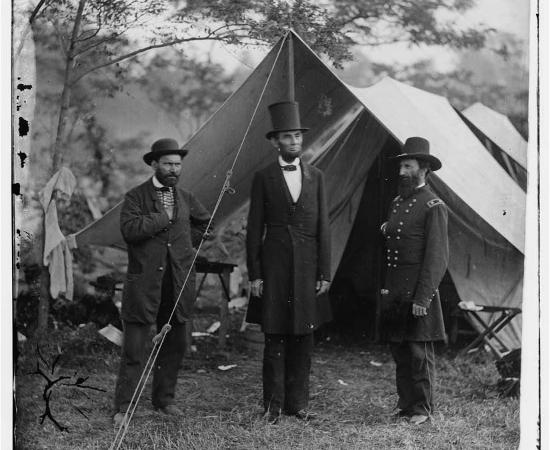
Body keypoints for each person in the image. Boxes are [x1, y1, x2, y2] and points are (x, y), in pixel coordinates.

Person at [113, 138, 211, 428]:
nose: (173, 169)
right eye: (167, 163)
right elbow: (130, 231)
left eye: (177, 164)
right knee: (135, 347)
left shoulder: (187, 197)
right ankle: (124, 407)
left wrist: (185, 245)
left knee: (176, 343)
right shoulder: (135, 197)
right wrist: (162, 218)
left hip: (177, 283)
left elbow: (206, 223)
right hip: (144, 285)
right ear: (154, 164)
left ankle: (164, 400)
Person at [245, 101, 331, 424]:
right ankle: (272, 406)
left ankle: (298, 404)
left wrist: (325, 271)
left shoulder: (317, 177)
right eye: (288, 137)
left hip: (308, 269)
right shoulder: (263, 178)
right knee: (275, 336)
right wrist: (255, 273)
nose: (295, 142)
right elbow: (254, 230)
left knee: (304, 338)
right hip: (275, 268)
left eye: (298, 136)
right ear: (275, 142)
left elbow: (324, 227)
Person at [380, 136, 449, 425]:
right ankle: (406, 403)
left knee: (419, 352)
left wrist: (423, 298)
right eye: (400, 167)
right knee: (400, 349)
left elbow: (437, 258)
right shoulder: (397, 202)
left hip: (418, 291)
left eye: (407, 166)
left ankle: (422, 408)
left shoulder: (434, 206)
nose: (401, 172)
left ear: (424, 169)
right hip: (396, 289)